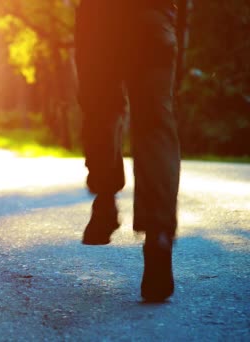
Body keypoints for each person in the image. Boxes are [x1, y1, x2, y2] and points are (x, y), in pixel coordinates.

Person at [74, 0, 180, 302]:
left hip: (100, 19)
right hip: (154, 17)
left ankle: (105, 200)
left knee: (101, 111)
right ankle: (159, 232)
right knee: (155, 124)